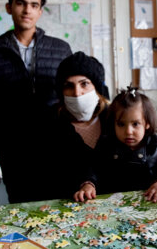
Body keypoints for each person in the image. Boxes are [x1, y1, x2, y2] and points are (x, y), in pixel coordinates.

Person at [0, 0, 72, 203]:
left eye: (34, 5)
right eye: (20, 3)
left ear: (40, 11)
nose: (27, 10)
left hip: (57, 147)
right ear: (9, 7)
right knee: (22, 208)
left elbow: (73, 97)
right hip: (14, 151)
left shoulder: (60, 49)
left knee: (60, 209)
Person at [74, 87, 157, 203]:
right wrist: (89, 184)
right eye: (121, 124)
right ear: (113, 124)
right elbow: (92, 168)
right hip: (112, 205)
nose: (128, 131)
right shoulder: (106, 144)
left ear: (147, 123)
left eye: (135, 124)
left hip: (149, 202)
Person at [45, 51, 110, 200]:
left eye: (84, 84)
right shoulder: (51, 126)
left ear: (97, 87)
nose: (77, 93)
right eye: (69, 86)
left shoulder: (115, 119)